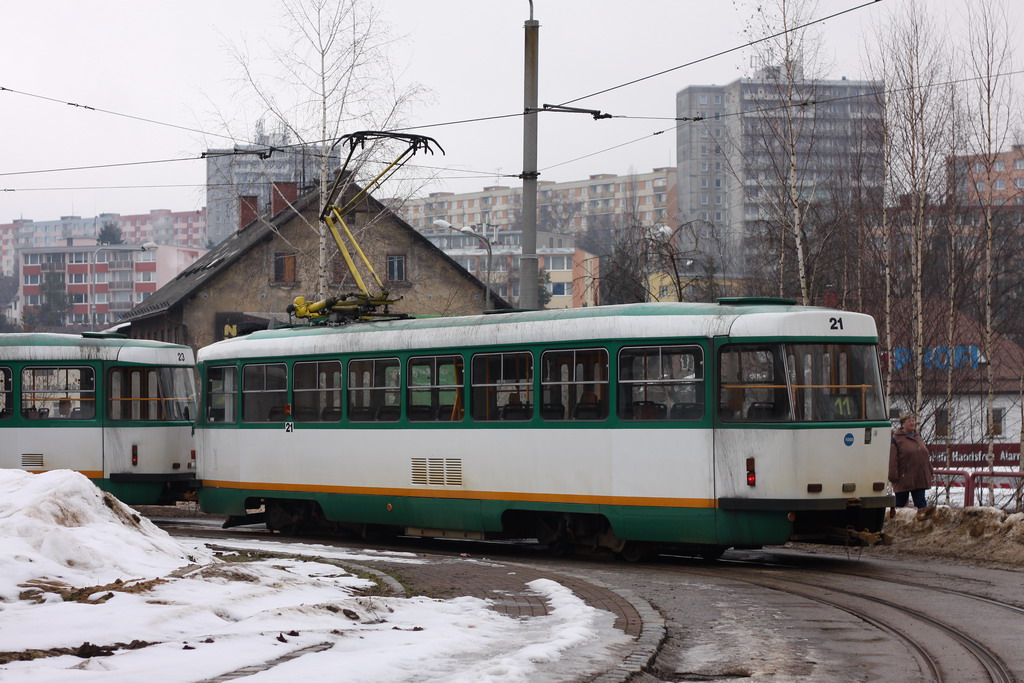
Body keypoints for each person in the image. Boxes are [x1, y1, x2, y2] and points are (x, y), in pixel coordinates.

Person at [888, 414, 933, 515]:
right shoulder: (896, 439)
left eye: (913, 421)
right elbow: (892, 460)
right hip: (903, 478)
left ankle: (922, 526)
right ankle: (894, 524)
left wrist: (930, 471)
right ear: (903, 424)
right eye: (909, 421)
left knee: (921, 506)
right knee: (899, 505)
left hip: (919, 478)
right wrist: (893, 476)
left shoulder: (918, 437)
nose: (912, 423)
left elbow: (925, 455)